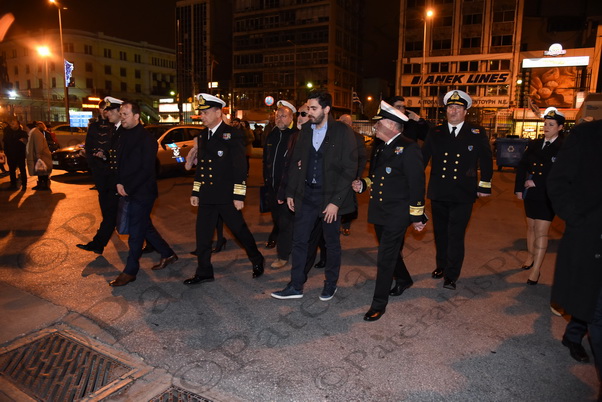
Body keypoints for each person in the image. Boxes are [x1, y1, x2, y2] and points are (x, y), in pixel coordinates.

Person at [271, 90, 358, 301]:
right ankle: (296, 285)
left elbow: (349, 169)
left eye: (313, 108)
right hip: (306, 195)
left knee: (331, 243)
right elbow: (296, 163)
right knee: (299, 241)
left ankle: (330, 284)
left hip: (330, 197)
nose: (309, 112)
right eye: (308, 108)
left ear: (326, 109)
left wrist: (335, 203)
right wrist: (291, 192)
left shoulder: (342, 132)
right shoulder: (306, 130)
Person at [352, 100, 427, 321]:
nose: (375, 127)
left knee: (385, 257)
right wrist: (364, 184)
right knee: (391, 252)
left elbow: (417, 184)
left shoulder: (409, 148)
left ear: (392, 125)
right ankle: (404, 279)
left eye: (379, 123)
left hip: (398, 212)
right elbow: (377, 176)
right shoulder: (381, 147)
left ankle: (378, 303)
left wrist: (417, 215)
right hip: (380, 209)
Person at [184, 93, 264, 285]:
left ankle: (256, 258)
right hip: (207, 195)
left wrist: (239, 195)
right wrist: (196, 191)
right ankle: (204, 271)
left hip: (226, 196)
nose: (201, 116)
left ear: (218, 112)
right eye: (201, 113)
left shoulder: (232, 134)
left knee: (239, 231)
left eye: (205, 112)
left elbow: (240, 166)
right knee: (202, 236)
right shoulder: (202, 136)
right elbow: (202, 168)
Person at [547, 119, 602, 394]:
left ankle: (573, 335)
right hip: (593, 238)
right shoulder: (588, 135)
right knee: (594, 305)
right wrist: (578, 220)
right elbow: (558, 181)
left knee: (590, 301)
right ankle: (574, 336)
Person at [422, 90, 493, 290]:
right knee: (440, 233)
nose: (453, 111)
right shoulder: (435, 132)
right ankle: (441, 265)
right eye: (450, 107)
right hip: (439, 191)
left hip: (463, 192)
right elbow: (422, 158)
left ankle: (451, 275)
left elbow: (486, 159)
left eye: (458, 108)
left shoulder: (476, 132)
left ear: (465, 111)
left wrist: (484, 183)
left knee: (456, 234)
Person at [109, 101, 178, 287]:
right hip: (126, 188)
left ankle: (130, 271)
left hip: (142, 192)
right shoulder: (122, 134)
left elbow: (146, 170)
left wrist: (127, 187)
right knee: (144, 226)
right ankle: (168, 254)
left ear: (136, 117)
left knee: (136, 232)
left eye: (125, 114)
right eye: (120, 114)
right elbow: (118, 162)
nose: (122, 117)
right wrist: (118, 181)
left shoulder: (147, 139)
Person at [514, 107, 564, 285]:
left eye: (551, 124)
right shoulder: (535, 144)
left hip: (548, 193)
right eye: (545, 124)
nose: (546, 127)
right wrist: (519, 188)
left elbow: (561, 172)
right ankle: (530, 257)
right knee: (531, 227)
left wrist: (538, 182)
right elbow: (522, 165)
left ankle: (536, 270)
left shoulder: (563, 147)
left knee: (542, 232)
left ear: (560, 127)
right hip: (531, 192)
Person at [76, 97, 124, 254]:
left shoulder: (123, 129)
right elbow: (90, 146)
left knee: (119, 212)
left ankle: (98, 243)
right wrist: (97, 160)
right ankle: (99, 242)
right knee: (114, 211)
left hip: (117, 176)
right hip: (104, 174)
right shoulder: (103, 127)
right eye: (104, 110)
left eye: (108, 110)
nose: (106, 113)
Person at [263, 100, 298, 268]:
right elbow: (266, 160)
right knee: (278, 220)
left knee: (285, 223)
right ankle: (291, 245)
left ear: (291, 117)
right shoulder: (272, 134)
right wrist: (266, 181)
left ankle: (283, 256)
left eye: (283, 116)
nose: (279, 119)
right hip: (272, 188)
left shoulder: (296, 135)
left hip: (287, 189)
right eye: (277, 116)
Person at [184, 131, 227, 255]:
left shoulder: (219, 144)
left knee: (220, 218)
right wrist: (194, 151)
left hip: (218, 187)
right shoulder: (199, 146)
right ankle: (203, 247)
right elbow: (191, 166)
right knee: (204, 221)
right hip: (203, 187)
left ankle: (220, 240)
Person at [338, 114, 368, 236]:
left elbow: (362, 158)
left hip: (351, 177)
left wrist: (358, 176)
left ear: (351, 124)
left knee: (349, 202)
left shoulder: (358, 138)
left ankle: (346, 226)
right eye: (342, 121)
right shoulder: (333, 135)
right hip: (336, 176)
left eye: (346, 122)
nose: (344, 123)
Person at [25, 122, 52, 190]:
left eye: (26, 129)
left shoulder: (36, 134)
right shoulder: (34, 133)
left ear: (29, 128)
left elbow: (38, 146)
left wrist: (38, 156)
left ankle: (44, 185)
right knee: (40, 171)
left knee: (43, 171)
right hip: (40, 155)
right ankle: (41, 184)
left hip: (42, 156)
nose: (26, 130)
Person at [2, 117, 27, 190]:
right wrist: (6, 152)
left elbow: (24, 142)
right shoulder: (8, 133)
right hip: (10, 154)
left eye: (13, 123)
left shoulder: (23, 133)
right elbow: (5, 143)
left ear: (18, 124)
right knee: (12, 170)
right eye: (11, 124)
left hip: (20, 154)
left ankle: (24, 184)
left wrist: (21, 141)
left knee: (22, 169)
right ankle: (13, 184)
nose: (12, 125)